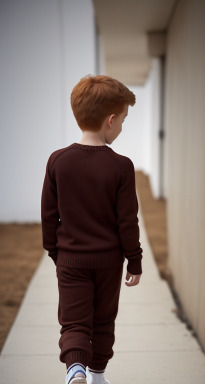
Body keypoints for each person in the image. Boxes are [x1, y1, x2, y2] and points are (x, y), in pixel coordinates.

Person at [41, 74, 143, 384]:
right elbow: (127, 220)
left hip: (71, 260)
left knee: (73, 322)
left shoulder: (58, 161)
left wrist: (55, 252)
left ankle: (75, 371)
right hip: (108, 262)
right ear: (111, 120)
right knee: (103, 321)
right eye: (123, 120)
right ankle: (97, 377)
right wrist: (134, 259)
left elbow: (49, 214)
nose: (122, 127)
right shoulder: (121, 166)